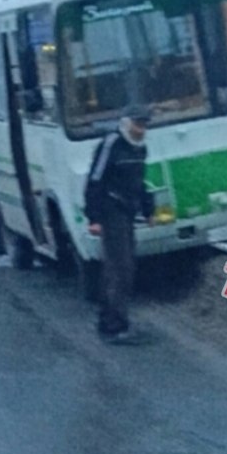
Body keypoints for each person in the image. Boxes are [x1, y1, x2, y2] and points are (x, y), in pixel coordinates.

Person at [85, 104, 155, 344]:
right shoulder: (111, 144)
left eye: (144, 124)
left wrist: (149, 210)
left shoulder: (139, 148)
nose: (141, 129)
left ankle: (111, 319)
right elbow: (95, 180)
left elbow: (139, 182)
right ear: (126, 123)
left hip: (127, 212)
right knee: (120, 268)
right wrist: (93, 217)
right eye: (138, 123)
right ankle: (113, 325)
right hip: (110, 210)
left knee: (123, 268)